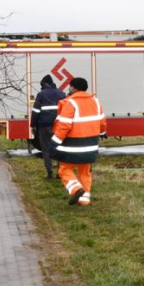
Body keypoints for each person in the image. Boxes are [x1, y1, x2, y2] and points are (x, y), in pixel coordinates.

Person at [50, 77, 107, 206]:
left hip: (72, 145)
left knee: (64, 170)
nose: (68, 89)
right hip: (90, 145)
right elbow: (102, 121)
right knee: (85, 172)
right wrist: (103, 132)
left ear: (74, 88)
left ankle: (76, 189)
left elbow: (64, 125)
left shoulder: (70, 103)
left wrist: (55, 142)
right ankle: (84, 200)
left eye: (70, 86)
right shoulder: (96, 102)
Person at [31, 74, 66, 178]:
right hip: (59, 126)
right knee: (59, 148)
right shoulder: (62, 94)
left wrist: (33, 125)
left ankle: (49, 172)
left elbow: (36, 111)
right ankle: (60, 172)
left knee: (46, 149)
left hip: (44, 127)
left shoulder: (41, 94)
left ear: (44, 84)